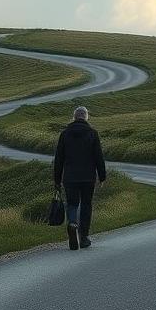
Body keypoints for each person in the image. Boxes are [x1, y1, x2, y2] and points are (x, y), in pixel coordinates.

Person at [53, 105, 106, 250]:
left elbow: (59, 159)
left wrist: (57, 180)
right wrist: (102, 176)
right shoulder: (92, 133)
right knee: (86, 205)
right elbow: (98, 157)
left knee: (72, 204)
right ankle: (84, 238)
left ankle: (72, 223)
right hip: (88, 177)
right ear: (86, 117)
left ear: (74, 117)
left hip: (70, 177)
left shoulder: (65, 134)